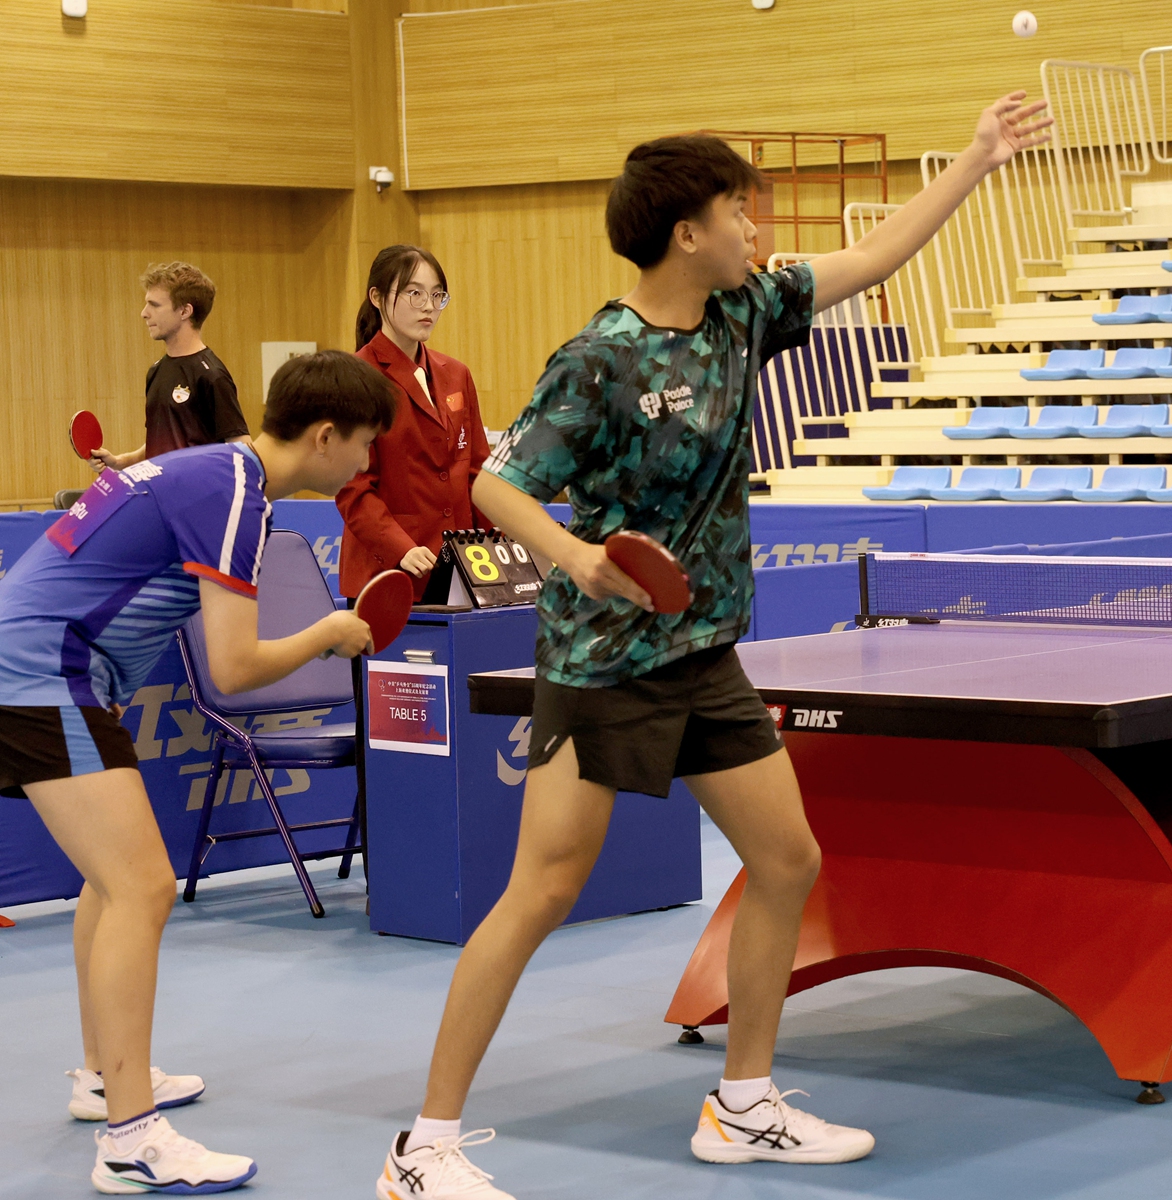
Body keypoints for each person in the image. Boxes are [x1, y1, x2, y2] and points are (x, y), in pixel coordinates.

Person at [373, 93, 1052, 1200]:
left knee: (788, 861)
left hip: (703, 658)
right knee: (539, 893)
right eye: (741, 210)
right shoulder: (600, 358)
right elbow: (497, 484)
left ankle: (741, 1105)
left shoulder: (746, 312)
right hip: (603, 668)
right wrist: (577, 559)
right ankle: (423, 1146)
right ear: (687, 231)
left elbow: (876, 257)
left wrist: (977, 157)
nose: (757, 229)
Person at [0, 351, 396, 1193]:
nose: (365, 464)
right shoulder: (234, 494)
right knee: (142, 887)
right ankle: (131, 1138)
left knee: (110, 887)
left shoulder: (211, 470)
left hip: (50, 671)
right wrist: (330, 631)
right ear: (325, 436)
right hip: (39, 676)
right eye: (363, 445)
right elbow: (238, 665)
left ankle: (105, 1078)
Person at [338, 246, 492, 598]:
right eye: (414, 293)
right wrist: (400, 547)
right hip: (389, 572)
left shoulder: (456, 374)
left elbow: (478, 470)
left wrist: (501, 542)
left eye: (437, 294)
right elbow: (353, 487)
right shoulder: (354, 377)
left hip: (463, 570)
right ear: (376, 297)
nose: (428, 305)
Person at [92, 262, 250, 472]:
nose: (144, 313)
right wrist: (121, 461)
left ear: (185, 311)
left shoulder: (211, 375)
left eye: (154, 305)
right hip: (161, 498)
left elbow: (241, 446)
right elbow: (163, 442)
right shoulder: (156, 371)